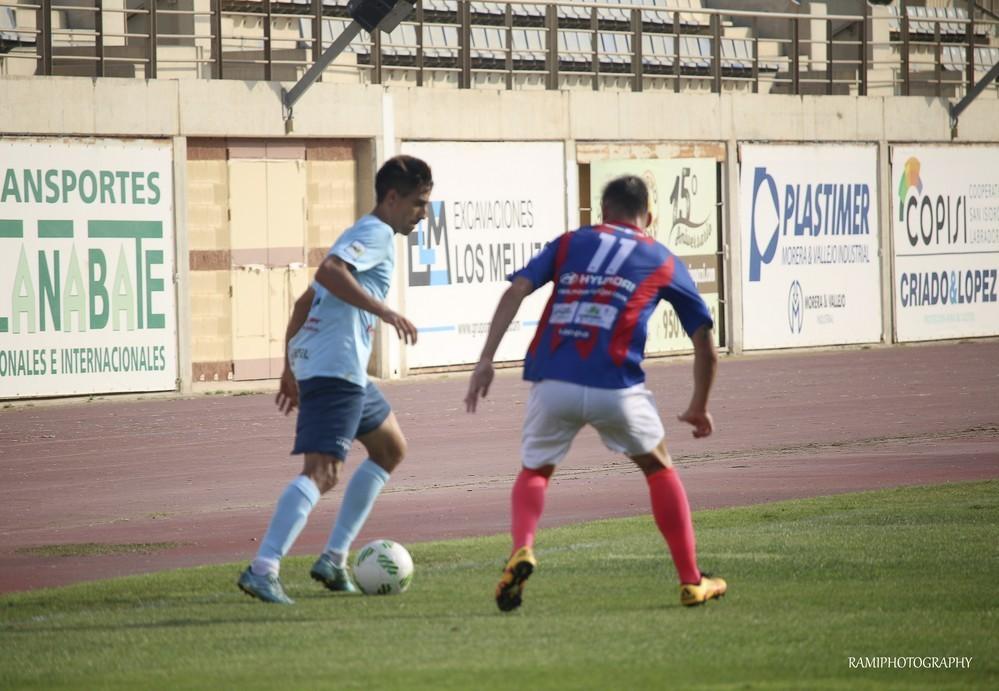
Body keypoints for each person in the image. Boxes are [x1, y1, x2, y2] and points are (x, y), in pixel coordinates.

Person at [465, 174, 726, 612]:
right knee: (658, 467)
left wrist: (486, 359)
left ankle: (523, 548)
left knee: (535, 470)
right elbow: (705, 342)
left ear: (601, 212)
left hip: (554, 382)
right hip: (616, 386)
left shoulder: (570, 242)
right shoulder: (662, 259)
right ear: (650, 214)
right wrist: (699, 404)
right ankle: (690, 580)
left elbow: (516, 289)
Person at [237, 155, 432, 604]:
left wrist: (289, 365)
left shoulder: (359, 234)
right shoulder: (377, 233)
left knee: (390, 448)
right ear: (392, 197)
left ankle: (333, 558)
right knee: (323, 472)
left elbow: (305, 300)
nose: (422, 214)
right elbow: (328, 274)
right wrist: (385, 311)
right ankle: (263, 567)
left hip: (339, 368)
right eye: (419, 204)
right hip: (335, 368)